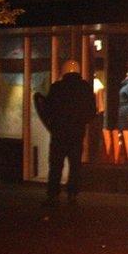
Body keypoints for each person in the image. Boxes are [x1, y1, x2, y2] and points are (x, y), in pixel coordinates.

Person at [41, 60, 97, 206]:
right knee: (75, 165)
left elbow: (48, 109)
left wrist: (54, 123)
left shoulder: (57, 88)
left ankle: (53, 194)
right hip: (77, 133)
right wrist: (81, 122)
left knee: (55, 165)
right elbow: (92, 110)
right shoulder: (85, 88)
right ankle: (72, 194)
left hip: (59, 133)